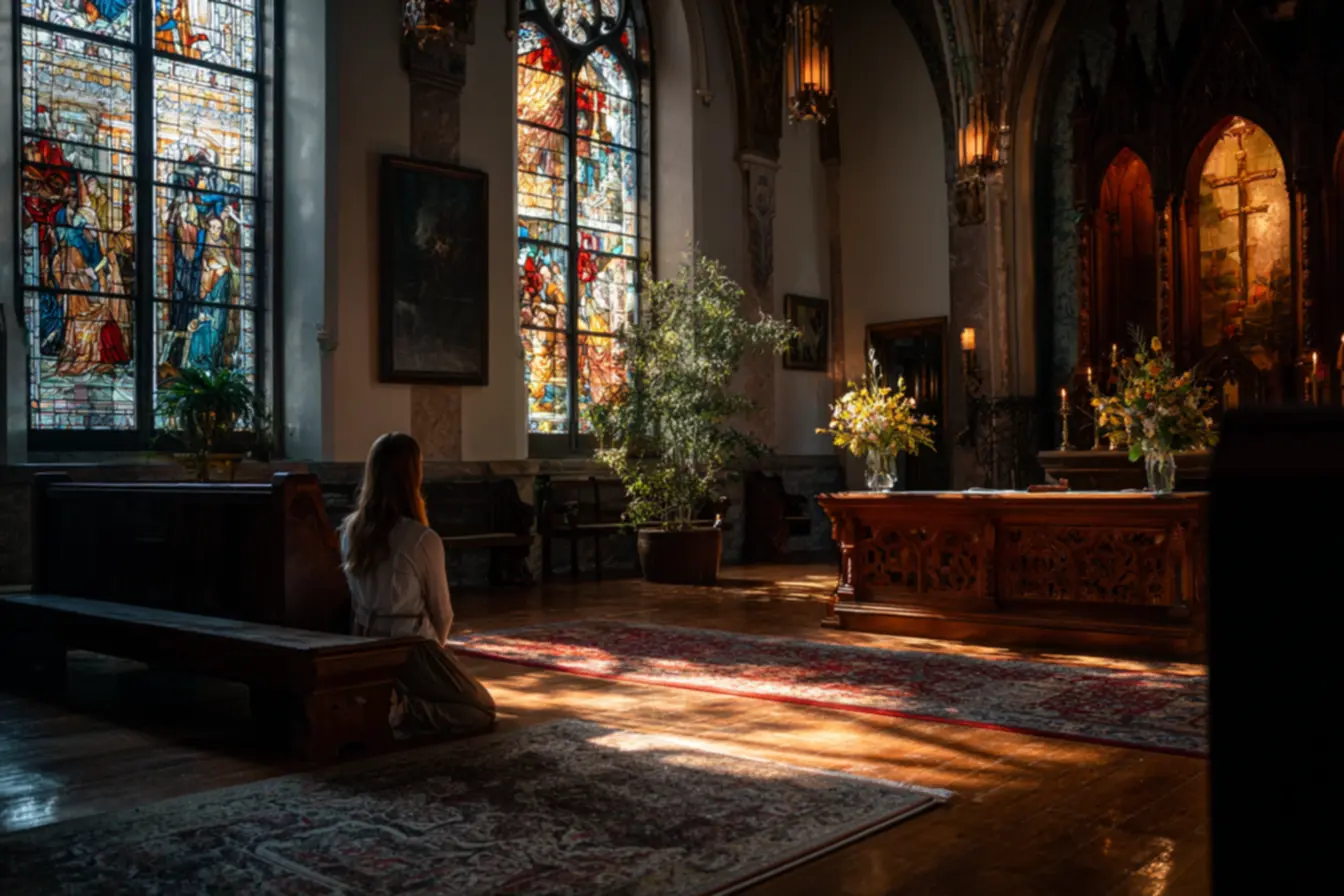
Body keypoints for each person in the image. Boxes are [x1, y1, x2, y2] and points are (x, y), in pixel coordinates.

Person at [340, 432, 496, 739]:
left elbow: (355, 602)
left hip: (363, 645)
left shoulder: (350, 531)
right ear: (414, 475)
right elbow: (442, 613)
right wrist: (437, 660)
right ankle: (404, 712)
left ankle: (392, 703)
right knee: (481, 710)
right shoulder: (421, 539)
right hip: (411, 648)